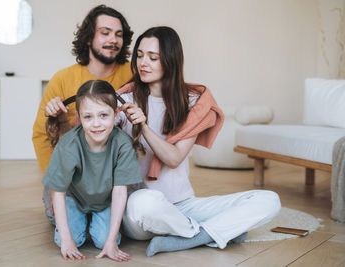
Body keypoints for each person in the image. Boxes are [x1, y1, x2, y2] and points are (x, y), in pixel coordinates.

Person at [115, 26, 281, 256]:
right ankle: (217, 231)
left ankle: (190, 236)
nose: (143, 63)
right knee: (145, 202)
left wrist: (143, 127)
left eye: (153, 57)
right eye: (140, 55)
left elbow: (173, 158)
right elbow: (92, 134)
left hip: (183, 206)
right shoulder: (124, 100)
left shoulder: (193, 102)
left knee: (269, 200)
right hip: (141, 209)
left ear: (171, 60)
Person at [32, 5, 134, 224]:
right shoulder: (62, 79)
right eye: (105, 33)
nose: (113, 40)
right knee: (57, 218)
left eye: (118, 34)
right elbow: (41, 136)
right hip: (72, 176)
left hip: (113, 176)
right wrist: (53, 184)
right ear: (89, 38)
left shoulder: (132, 76)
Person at [42, 80, 142, 262]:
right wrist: (66, 241)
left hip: (103, 200)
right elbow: (58, 193)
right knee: (73, 240)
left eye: (103, 115)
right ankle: (77, 220)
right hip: (74, 196)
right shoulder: (69, 144)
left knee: (104, 240)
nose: (96, 124)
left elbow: (120, 192)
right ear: (79, 117)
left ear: (116, 113)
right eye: (88, 117)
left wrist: (111, 240)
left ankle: (93, 220)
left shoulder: (123, 144)